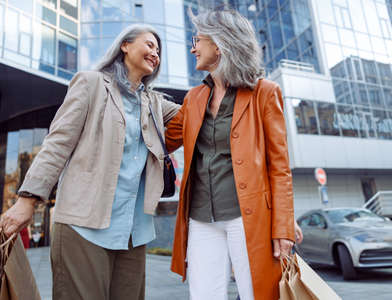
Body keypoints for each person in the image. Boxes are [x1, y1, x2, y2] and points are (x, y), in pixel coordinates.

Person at [0, 24, 179, 300]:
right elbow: (57, 143)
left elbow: (197, 113)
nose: (155, 53)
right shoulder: (91, 83)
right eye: (149, 44)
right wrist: (28, 200)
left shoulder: (153, 103)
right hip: (83, 226)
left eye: (158, 50)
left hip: (133, 231)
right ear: (125, 46)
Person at [165, 9, 295, 300]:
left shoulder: (264, 92)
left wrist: (283, 225)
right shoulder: (194, 97)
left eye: (198, 40)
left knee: (256, 293)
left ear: (220, 45)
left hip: (247, 216)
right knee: (204, 295)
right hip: (201, 217)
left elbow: (280, 167)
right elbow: (162, 139)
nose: (193, 47)